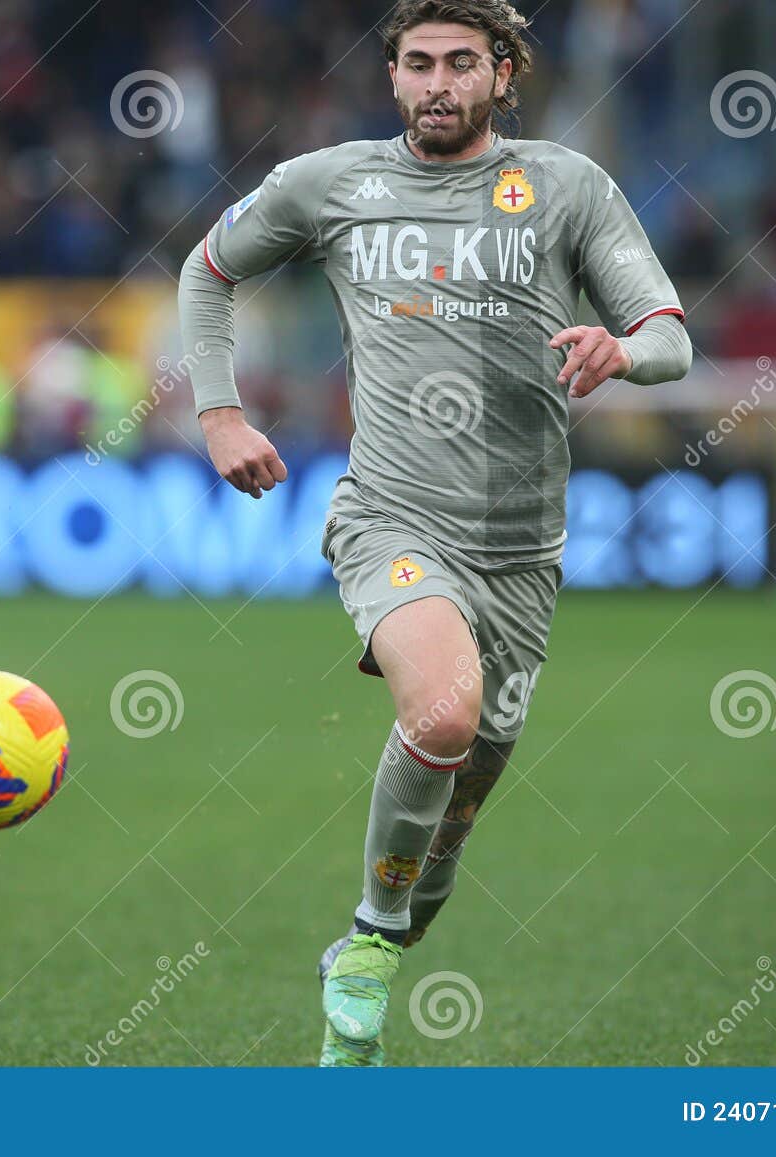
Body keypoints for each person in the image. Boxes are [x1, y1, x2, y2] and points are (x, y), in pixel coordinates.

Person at [177, 0, 691, 1067]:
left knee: (447, 827)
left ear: (505, 74)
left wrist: (620, 352)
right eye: (418, 63)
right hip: (391, 515)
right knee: (443, 710)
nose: (437, 82)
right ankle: (368, 950)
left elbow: (668, 337)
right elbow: (209, 269)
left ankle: (372, 941)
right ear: (394, 77)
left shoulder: (565, 187)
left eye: (463, 62)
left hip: (524, 550)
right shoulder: (332, 183)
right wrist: (219, 410)